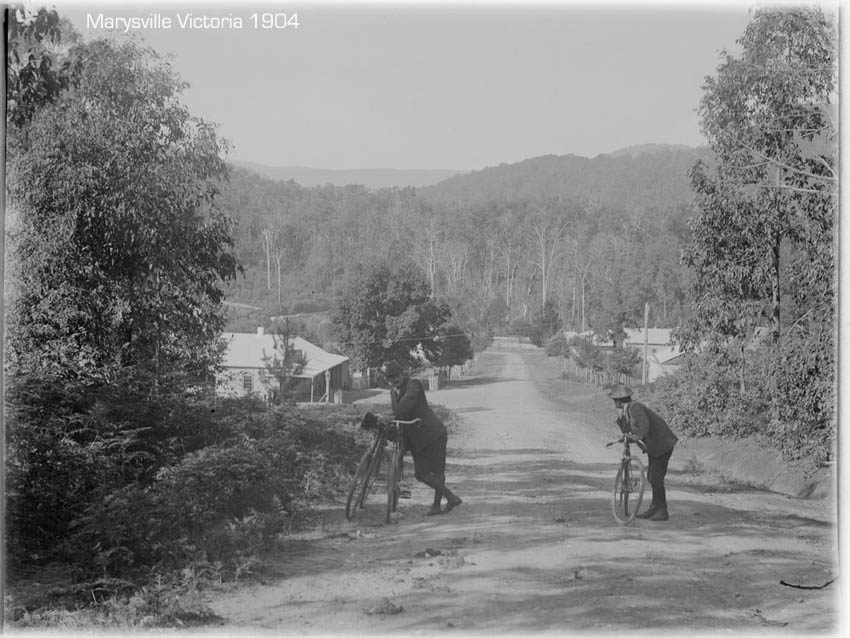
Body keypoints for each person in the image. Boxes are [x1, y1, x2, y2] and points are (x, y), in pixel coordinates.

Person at [383, 361, 462, 516]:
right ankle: (451, 497)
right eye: (391, 377)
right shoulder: (393, 393)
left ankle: (437, 505)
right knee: (421, 475)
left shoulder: (414, 385)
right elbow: (401, 418)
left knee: (438, 471)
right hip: (416, 439)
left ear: (402, 373)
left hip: (434, 434)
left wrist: (393, 415)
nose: (396, 379)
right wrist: (402, 444)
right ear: (387, 379)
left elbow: (407, 403)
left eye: (398, 375)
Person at [608, 383, 677, 521]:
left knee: (655, 477)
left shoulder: (635, 408)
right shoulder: (627, 411)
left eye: (615, 399)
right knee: (652, 477)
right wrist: (622, 424)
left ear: (620, 400)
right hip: (654, 446)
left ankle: (662, 511)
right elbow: (629, 431)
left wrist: (637, 437)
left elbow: (644, 425)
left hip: (662, 443)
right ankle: (654, 508)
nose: (614, 402)